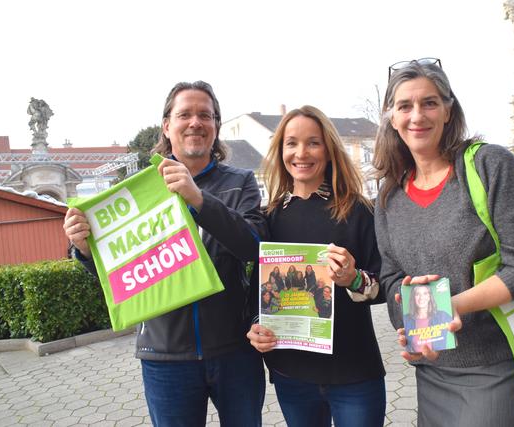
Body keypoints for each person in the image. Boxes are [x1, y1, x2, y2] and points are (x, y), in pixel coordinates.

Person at [63, 80, 267, 427]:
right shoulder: (135, 191)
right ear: (167, 126)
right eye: (184, 114)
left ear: (216, 126)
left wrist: (198, 199)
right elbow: (119, 272)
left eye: (205, 115)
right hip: (164, 357)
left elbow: (254, 247)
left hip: (236, 351)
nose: (195, 122)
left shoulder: (241, 181)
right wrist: (82, 249)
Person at [373, 58, 514, 427]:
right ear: (391, 117)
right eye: (404, 106)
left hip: (497, 366)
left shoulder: (490, 165)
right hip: (431, 371)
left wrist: (453, 306)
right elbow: (392, 277)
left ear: (448, 110)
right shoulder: (389, 196)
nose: (417, 116)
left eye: (429, 102)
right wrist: (416, 327)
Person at [247, 105, 386, 427]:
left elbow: (383, 286)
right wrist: (256, 326)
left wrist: (353, 278)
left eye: (313, 142)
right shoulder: (268, 217)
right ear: (280, 151)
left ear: (328, 149)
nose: (301, 152)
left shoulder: (357, 210)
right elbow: (258, 294)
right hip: (291, 373)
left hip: (354, 371)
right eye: (291, 143)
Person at [403, 285, 452, 352]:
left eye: (425, 293)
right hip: (417, 360)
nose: (421, 297)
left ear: (429, 296)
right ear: (413, 298)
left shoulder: (443, 316)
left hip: (443, 358)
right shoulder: (406, 319)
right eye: (417, 294)